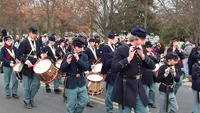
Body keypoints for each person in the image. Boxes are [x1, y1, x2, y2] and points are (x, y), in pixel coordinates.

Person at [111, 26, 155, 113]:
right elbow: (114, 68)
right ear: (135, 38)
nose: (144, 42)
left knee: (144, 111)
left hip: (138, 85)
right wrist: (128, 58)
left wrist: (143, 56)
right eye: (142, 39)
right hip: (125, 86)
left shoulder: (142, 49)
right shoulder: (121, 49)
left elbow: (152, 66)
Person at [16, 26, 46, 109]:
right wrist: (26, 61)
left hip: (35, 67)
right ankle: (26, 101)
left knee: (37, 84)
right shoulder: (24, 42)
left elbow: (38, 53)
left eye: (35, 33)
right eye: (33, 33)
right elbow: (18, 55)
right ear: (29, 32)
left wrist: (42, 56)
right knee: (26, 86)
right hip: (27, 67)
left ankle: (31, 98)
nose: (34, 34)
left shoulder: (36, 42)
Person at [60, 37, 89, 113]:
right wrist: (67, 62)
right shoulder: (67, 55)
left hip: (81, 82)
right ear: (73, 47)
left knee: (84, 101)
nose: (81, 49)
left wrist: (78, 60)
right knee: (71, 105)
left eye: (82, 47)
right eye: (79, 47)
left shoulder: (84, 56)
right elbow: (62, 69)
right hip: (71, 83)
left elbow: (86, 67)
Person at [104, 41, 123, 113]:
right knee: (109, 96)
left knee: (122, 96)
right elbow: (106, 64)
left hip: (122, 78)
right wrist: (116, 58)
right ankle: (109, 110)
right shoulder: (111, 55)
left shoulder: (126, 56)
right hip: (113, 77)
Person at [1, 29, 19, 99]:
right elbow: (2, 58)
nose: (9, 42)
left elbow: (18, 54)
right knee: (7, 80)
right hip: (6, 66)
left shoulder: (14, 47)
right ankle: (8, 93)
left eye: (10, 40)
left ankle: (14, 92)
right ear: (5, 41)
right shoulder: (3, 49)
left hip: (14, 65)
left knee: (15, 80)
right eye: (8, 41)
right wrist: (9, 63)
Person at [142, 41, 160, 108]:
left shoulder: (152, 54)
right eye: (149, 47)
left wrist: (152, 56)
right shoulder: (143, 53)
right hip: (145, 73)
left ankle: (151, 101)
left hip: (152, 73)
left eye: (151, 47)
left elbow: (157, 60)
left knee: (153, 88)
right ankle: (143, 101)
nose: (150, 49)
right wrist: (147, 55)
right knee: (143, 89)